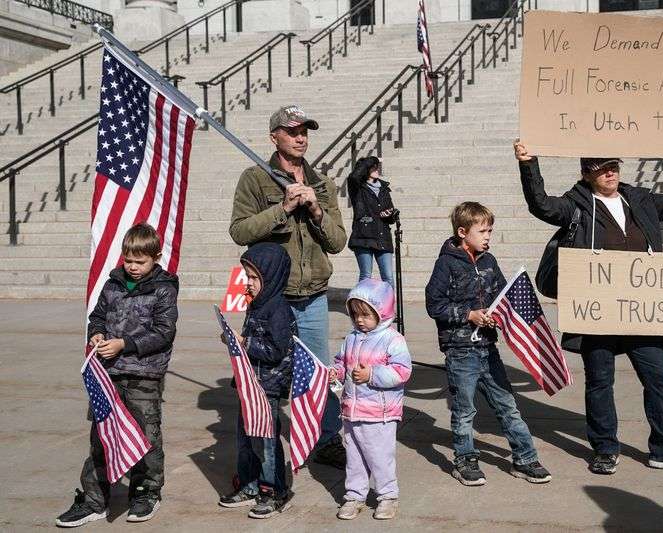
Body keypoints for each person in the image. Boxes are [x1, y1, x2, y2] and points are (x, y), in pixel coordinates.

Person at [514, 141, 663, 475]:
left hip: (642, 313)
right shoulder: (577, 205)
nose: (611, 171)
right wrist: (529, 164)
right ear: (587, 173)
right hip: (599, 314)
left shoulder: (639, 198)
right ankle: (605, 448)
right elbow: (541, 205)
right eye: (602, 166)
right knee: (600, 381)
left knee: (659, 377)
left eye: (614, 164)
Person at [229, 104, 348, 467]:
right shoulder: (255, 179)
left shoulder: (322, 184)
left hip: (311, 295)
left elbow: (338, 241)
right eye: (292, 131)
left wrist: (314, 210)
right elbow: (240, 231)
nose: (300, 137)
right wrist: (282, 208)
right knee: (265, 374)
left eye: (305, 131)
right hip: (271, 298)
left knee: (319, 371)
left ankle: (327, 438)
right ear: (274, 136)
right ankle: (263, 440)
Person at [56, 223, 178, 527]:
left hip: (143, 375)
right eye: (129, 260)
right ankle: (94, 499)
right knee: (101, 437)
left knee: (146, 435)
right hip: (108, 374)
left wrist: (126, 344)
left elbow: (164, 332)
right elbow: (96, 316)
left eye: (141, 261)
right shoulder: (112, 285)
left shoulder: (164, 288)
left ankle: (145, 491)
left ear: (156, 258)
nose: (133, 267)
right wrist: (96, 334)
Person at [425, 202, 552, 487]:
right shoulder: (446, 263)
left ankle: (525, 458)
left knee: (507, 405)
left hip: (487, 348)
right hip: (460, 350)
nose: (487, 236)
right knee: (464, 410)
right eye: (482, 231)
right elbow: (434, 304)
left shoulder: (488, 261)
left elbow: (501, 294)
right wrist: (468, 315)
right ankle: (465, 459)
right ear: (462, 232)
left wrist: (496, 313)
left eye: (490, 230)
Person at [217, 243, 296, 518]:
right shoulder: (257, 305)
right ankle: (249, 484)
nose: (247, 283)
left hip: (268, 387)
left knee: (265, 442)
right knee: (246, 440)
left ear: (271, 278)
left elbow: (276, 350)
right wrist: (234, 342)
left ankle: (273, 491)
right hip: (250, 386)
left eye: (253, 278)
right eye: (246, 276)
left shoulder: (279, 311)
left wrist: (245, 342)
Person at [330, 279, 411, 520]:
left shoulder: (393, 339)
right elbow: (341, 361)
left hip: (380, 412)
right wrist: (335, 372)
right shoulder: (351, 338)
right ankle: (354, 495)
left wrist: (372, 374)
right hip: (352, 411)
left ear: (382, 312)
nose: (359, 320)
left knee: (379, 456)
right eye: (355, 314)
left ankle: (388, 495)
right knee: (354, 457)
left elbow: (401, 371)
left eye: (366, 314)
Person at [346, 156, 398, 287]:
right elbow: (353, 177)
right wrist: (372, 159)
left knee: (388, 277)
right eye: (373, 167)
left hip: (382, 236)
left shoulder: (384, 187)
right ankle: (361, 307)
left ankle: (388, 307)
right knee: (365, 276)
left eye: (377, 166)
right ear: (365, 169)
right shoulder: (357, 187)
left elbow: (389, 212)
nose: (377, 168)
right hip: (363, 236)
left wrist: (389, 215)